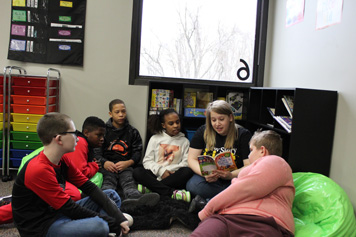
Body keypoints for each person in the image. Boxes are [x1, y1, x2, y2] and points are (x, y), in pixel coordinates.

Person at [12, 112, 130, 236]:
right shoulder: (39, 169)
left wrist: (119, 218)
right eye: (74, 134)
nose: (78, 138)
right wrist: (110, 221)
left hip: (58, 213)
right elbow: (70, 208)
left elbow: (89, 187)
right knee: (100, 227)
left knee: (111, 195)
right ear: (59, 139)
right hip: (41, 228)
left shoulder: (62, 159)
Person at [0, 115, 107, 225]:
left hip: (51, 173)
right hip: (39, 171)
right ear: (86, 133)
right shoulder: (80, 143)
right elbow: (80, 171)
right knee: (70, 196)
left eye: (103, 135)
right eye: (99, 135)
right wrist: (94, 166)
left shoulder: (85, 145)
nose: (102, 139)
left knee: (72, 196)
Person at [190, 130, 295, 237]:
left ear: (262, 151)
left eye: (251, 150)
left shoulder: (276, 161)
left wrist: (207, 210)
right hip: (227, 216)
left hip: (263, 221)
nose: (249, 156)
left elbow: (246, 189)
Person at [95, 99, 160, 208]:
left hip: (126, 166)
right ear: (110, 114)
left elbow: (137, 152)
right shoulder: (103, 131)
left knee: (129, 182)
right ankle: (106, 202)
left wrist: (128, 163)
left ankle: (136, 201)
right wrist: (105, 162)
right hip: (108, 167)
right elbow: (96, 151)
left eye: (123, 111)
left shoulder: (133, 132)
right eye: (117, 112)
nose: (121, 115)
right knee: (108, 183)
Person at [186, 100, 252, 200]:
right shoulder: (203, 131)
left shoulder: (243, 134)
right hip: (208, 179)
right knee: (193, 185)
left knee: (244, 186)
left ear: (230, 118)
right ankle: (227, 199)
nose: (217, 124)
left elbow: (249, 165)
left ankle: (209, 201)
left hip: (232, 178)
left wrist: (230, 175)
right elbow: (191, 159)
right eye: (213, 120)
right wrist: (205, 174)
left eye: (221, 119)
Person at [133, 109, 194, 202]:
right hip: (156, 173)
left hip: (173, 175)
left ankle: (152, 188)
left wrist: (170, 171)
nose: (176, 126)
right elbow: (147, 161)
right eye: (171, 123)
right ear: (163, 125)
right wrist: (161, 171)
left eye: (177, 122)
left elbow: (186, 162)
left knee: (188, 171)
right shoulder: (155, 138)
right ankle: (171, 193)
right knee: (137, 171)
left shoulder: (185, 141)